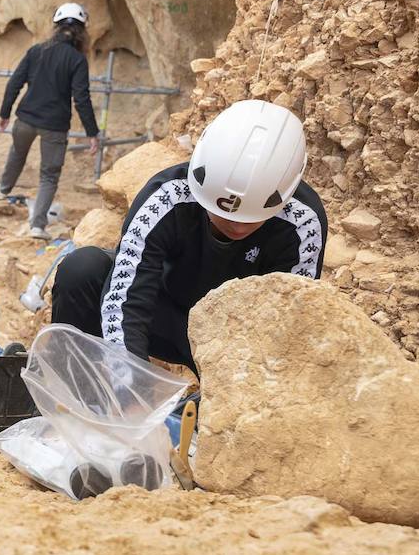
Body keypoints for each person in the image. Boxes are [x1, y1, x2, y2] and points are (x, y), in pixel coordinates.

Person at [50, 99, 327, 374]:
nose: (238, 228)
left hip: (234, 340)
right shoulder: (166, 197)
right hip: (165, 314)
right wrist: (129, 384)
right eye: (223, 214)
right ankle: (72, 394)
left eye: (252, 218)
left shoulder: (303, 224)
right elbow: (127, 296)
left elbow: (284, 328)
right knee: (83, 270)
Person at [0, 2, 100, 240]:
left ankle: (2, 191)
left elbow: (15, 83)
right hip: (55, 125)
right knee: (49, 176)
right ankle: (37, 226)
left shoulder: (37, 50)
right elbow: (81, 98)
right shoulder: (77, 59)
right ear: (82, 31)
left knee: (17, 152)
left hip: (26, 118)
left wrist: (4, 113)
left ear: (55, 27)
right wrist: (92, 133)